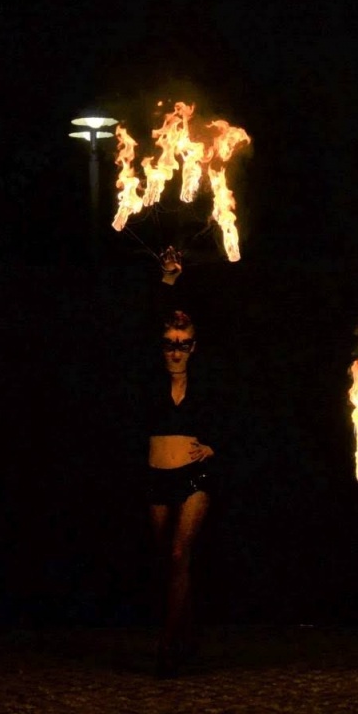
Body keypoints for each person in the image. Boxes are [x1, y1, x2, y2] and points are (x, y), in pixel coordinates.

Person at [145, 248, 218, 677]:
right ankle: (188, 636)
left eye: (183, 345)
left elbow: (239, 417)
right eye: (170, 345)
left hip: (195, 477)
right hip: (157, 479)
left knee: (178, 554)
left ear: (194, 347)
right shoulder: (150, 379)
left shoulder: (205, 382)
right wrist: (167, 283)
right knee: (167, 562)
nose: (175, 353)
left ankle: (168, 645)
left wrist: (215, 448)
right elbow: (143, 328)